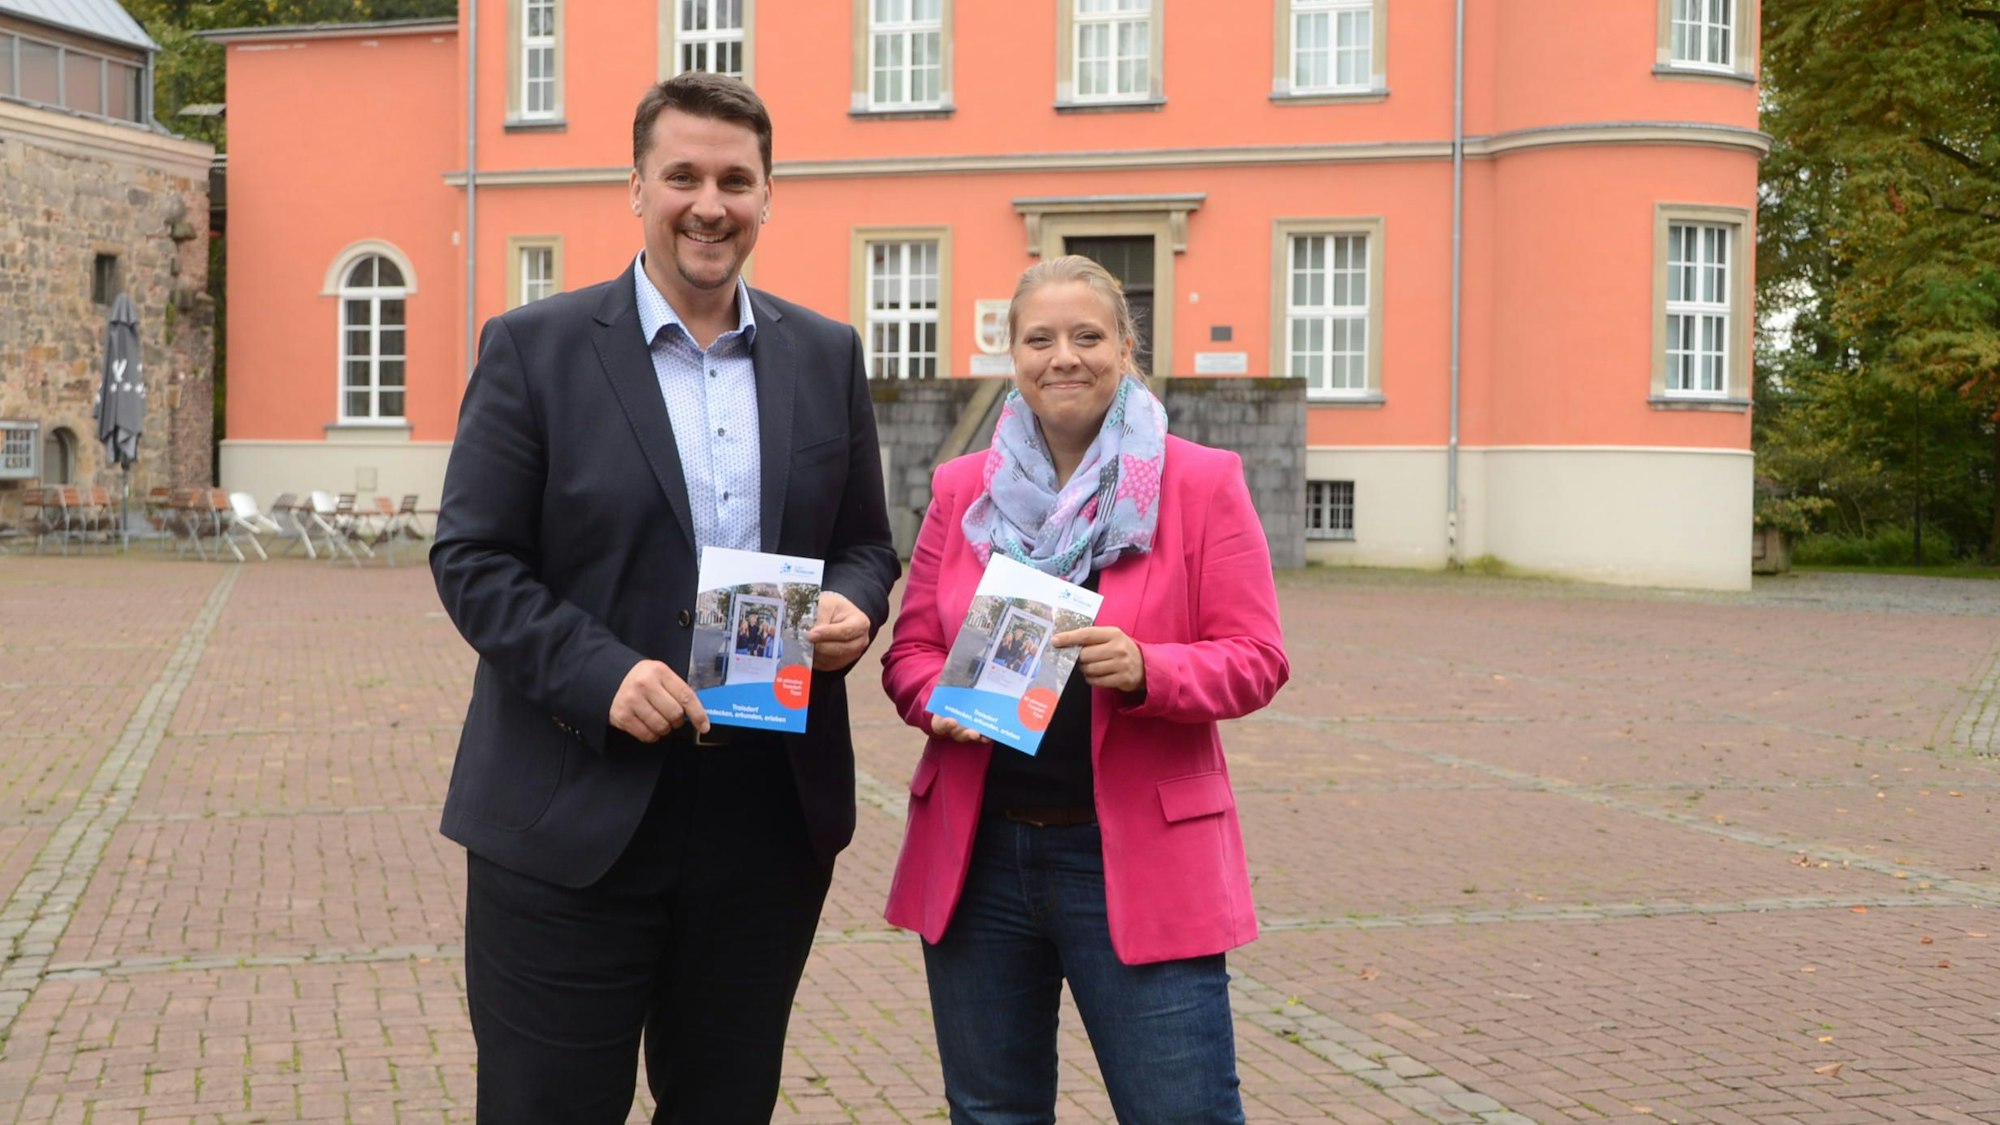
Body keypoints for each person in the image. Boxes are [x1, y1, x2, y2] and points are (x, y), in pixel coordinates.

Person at [430, 71, 899, 1124]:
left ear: (768, 195)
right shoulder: (535, 347)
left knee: (725, 1106)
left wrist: (854, 610)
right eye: (682, 175)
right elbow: (474, 559)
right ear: (634, 187)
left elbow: (865, 542)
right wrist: (602, 676)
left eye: (735, 179)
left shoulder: (824, 355)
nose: (709, 202)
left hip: (762, 816)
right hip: (570, 807)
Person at [881, 255, 1289, 1123]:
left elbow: (1257, 655)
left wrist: (1151, 669)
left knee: (1180, 1111)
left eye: (1087, 336)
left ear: (1127, 348)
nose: (1063, 356)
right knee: (992, 1112)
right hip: (982, 853)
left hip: (1134, 852)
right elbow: (911, 647)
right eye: (1040, 338)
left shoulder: (1199, 481)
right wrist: (940, 704)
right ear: (1013, 355)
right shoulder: (965, 488)